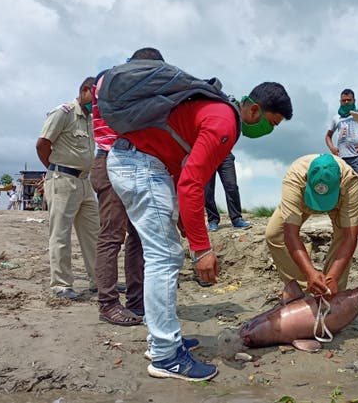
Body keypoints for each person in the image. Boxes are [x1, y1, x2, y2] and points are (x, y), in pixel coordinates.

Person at [104, 54, 293, 382]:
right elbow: (193, 183)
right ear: (252, 108)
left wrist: (183, 222)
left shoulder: (216, 112)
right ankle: (166, 356)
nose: (268, 130)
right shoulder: (224, 122)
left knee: (161, 254)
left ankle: (162, 340)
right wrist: (202, 249)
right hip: (140, 166)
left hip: (141, 164)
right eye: (271, 122)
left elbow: (182, 169)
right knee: (165, 258)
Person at [90, 52, 154, 326]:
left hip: (137, 163)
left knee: (138, 236)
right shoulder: (110, 79)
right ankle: (107, 304)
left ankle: (137, 303)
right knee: (112, 235)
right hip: (110, 160)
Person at [36, 76, 99, 300]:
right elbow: (42, 144)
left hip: (85, 182)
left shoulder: (92, 119)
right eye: (95, 97)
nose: (97, 103)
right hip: (63, 179)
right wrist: (55, 170)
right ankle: (61, 285)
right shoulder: (63, 113)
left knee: (94, 234)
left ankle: (98, 281)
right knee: (61, 233)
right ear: (84, 91)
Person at [265, 154, 358, 295]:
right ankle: (302, 287)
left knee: (342, 237)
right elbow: (290, 234)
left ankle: (330, 290)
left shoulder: (350, 181)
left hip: (339, 201)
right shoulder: (294, 177)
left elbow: (350, 239)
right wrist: (310, 273)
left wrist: (333, 277)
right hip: (303, 199)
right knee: (274, 234)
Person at [205, 152, 251, 232]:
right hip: (205, 156)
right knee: (207, 191)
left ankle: (236, 219)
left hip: (225, 154)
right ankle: (212, 220)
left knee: (232, 186)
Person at [325, 89, 358, 174]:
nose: (346, 102)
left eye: (349, 100)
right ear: (340, 101)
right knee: (344, 184)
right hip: (342, 158)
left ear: (354, 100)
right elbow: (328, 136)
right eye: (344, 100)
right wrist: (332, 148)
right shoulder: (336, 118)